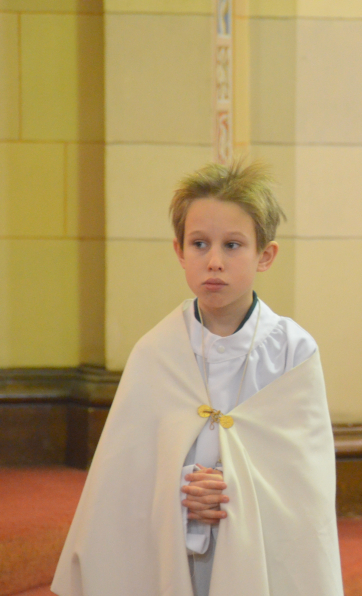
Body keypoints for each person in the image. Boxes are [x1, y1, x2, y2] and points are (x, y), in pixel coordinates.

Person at [52, 162, 343, 596]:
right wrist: (181, 490)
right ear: (179, 251)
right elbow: (125, 479)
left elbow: (305, 486)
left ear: (266, 255)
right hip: (174, 556)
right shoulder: (157, 352)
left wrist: (232, 490)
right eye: (199, 244)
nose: (213, 262)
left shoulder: (293, 353)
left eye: (232, 245)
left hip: (258, 557)